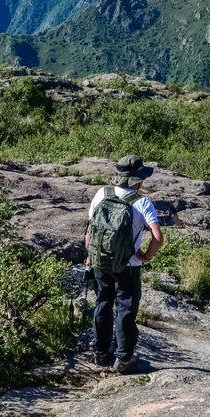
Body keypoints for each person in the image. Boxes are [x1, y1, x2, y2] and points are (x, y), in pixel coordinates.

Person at [85, 155, 164, 373]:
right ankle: (124, 360)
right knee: (125, 310)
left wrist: (91, 255)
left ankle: (101, 354)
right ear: (137, 179)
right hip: (128, 266)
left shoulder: (102, 193)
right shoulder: (142, 202)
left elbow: (90, 228)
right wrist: (145, 257)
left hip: (100, 262)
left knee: (102, 304)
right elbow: (158, 238)